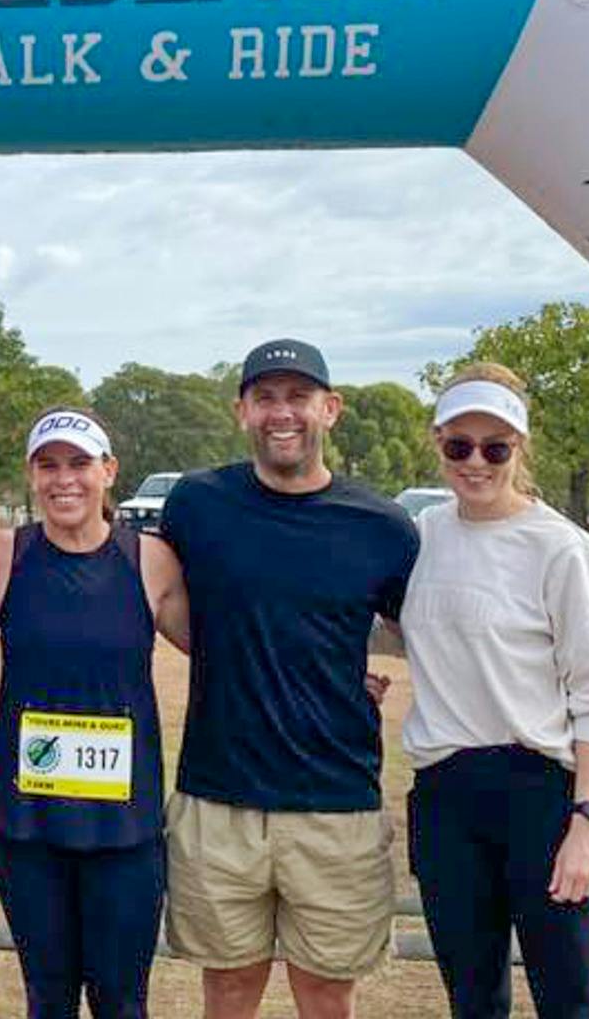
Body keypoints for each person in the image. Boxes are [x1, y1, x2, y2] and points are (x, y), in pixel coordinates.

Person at [158, 338, 419, 1019]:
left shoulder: (385, 527)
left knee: (327, 995)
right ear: (242, 409)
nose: (284, 412)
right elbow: (159, 602)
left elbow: (421, 634)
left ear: (330, 409)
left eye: (299, 396)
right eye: (266, 396)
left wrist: (340, 670)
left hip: (335, 804)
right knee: (229, 989)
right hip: (220, 798)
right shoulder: (196, 504)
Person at [395, 364, 589, 1018]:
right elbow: (406, 629)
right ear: (437, 443)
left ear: (519, 449)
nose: (476, 463)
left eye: (495, 448)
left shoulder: (563, 550)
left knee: (567, 1001)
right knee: (473, 999)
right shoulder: (424, 536)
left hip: (542, 797)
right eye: (458, 446)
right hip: (446, 796)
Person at [0, 406, 189, 1019]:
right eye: (49, 465)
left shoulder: (150, 560)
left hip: (125, 827)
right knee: (48, 999)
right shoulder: (3, 557)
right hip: (27, 822)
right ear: (32, 476)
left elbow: (224, 649)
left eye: (80, 464)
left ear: (109, 471)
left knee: (120, 1000)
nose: (65, 479)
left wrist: (341, 673)